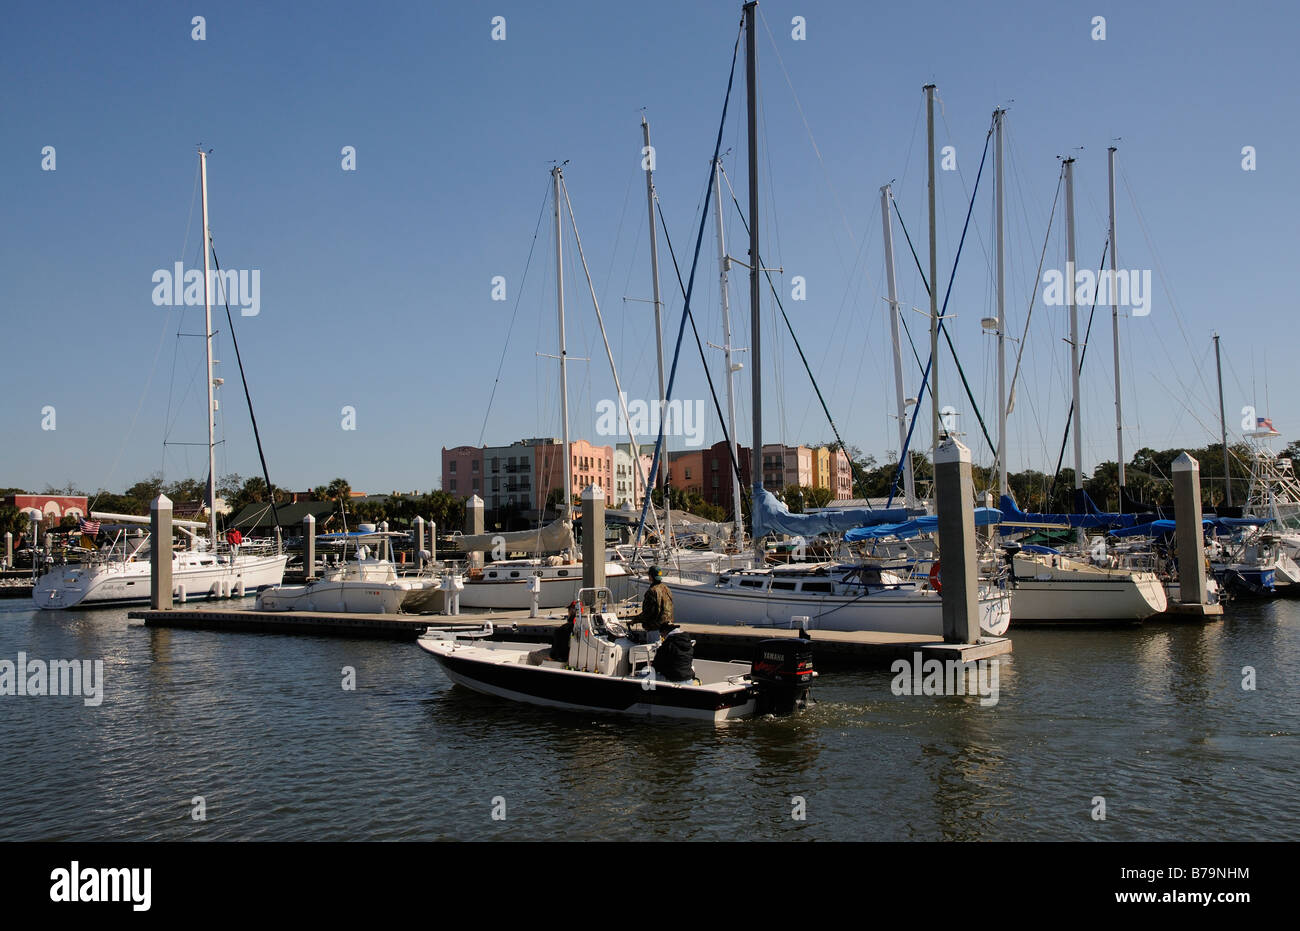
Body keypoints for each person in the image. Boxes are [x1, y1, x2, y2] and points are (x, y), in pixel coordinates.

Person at [634, 566, 675, 640]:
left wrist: (635, 620)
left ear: (651, 576)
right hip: (667, 628)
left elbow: (648, 612)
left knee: (652, 649)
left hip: (655, 629)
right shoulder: (667, 588)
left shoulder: (652, 591)